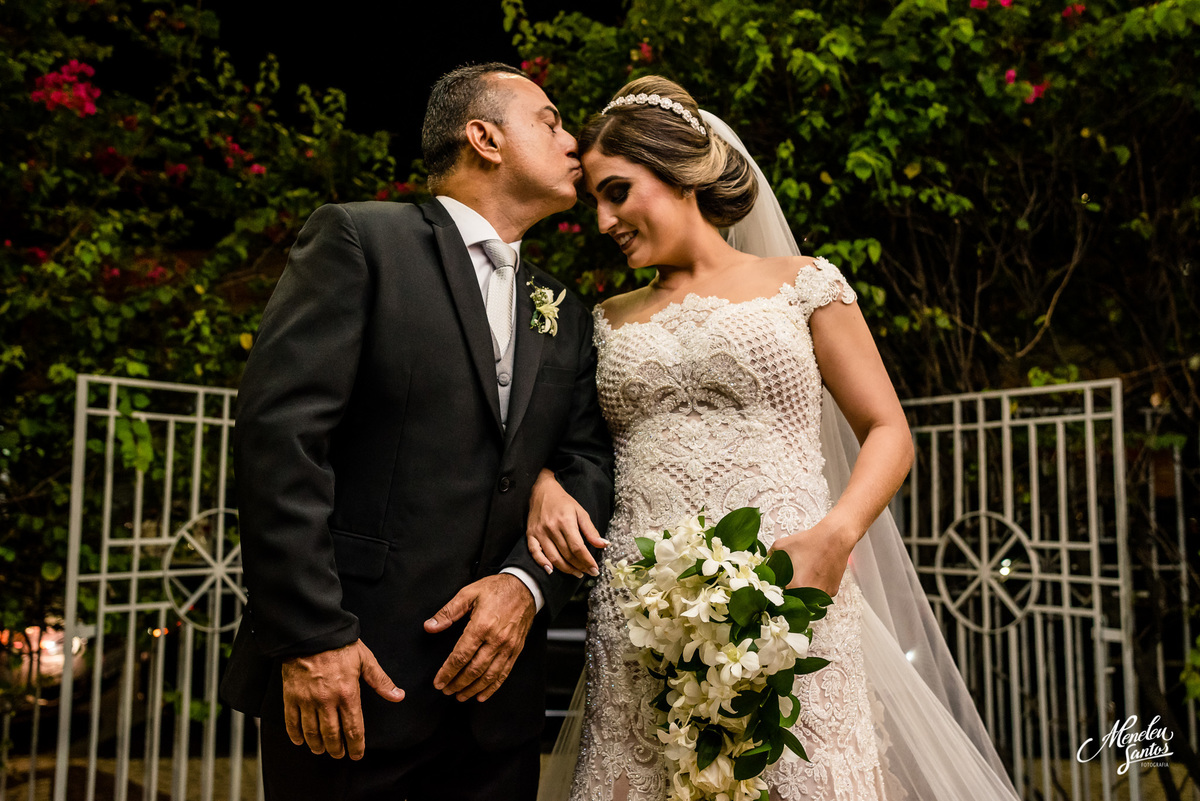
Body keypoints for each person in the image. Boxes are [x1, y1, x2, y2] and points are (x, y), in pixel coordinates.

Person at [530, 76, 1021, 801]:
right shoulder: (602, 319)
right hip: (641, 618)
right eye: (596, 202)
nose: (603, 221)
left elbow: (888, 429)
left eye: (617, 192)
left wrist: (836, 536)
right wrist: (544, 483)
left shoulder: (804, 284)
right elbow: (564, 444)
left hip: (791, 591)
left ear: (679, 174)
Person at [219, 62, 614, 801]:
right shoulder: (361, 240)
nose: (574, 142)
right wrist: (313, 638)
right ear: (484, 137)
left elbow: (588, 460)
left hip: (496, 708)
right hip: (353, 681)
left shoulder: (562, 307)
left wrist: (527, 585)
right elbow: (283, 442)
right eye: (551, 122)